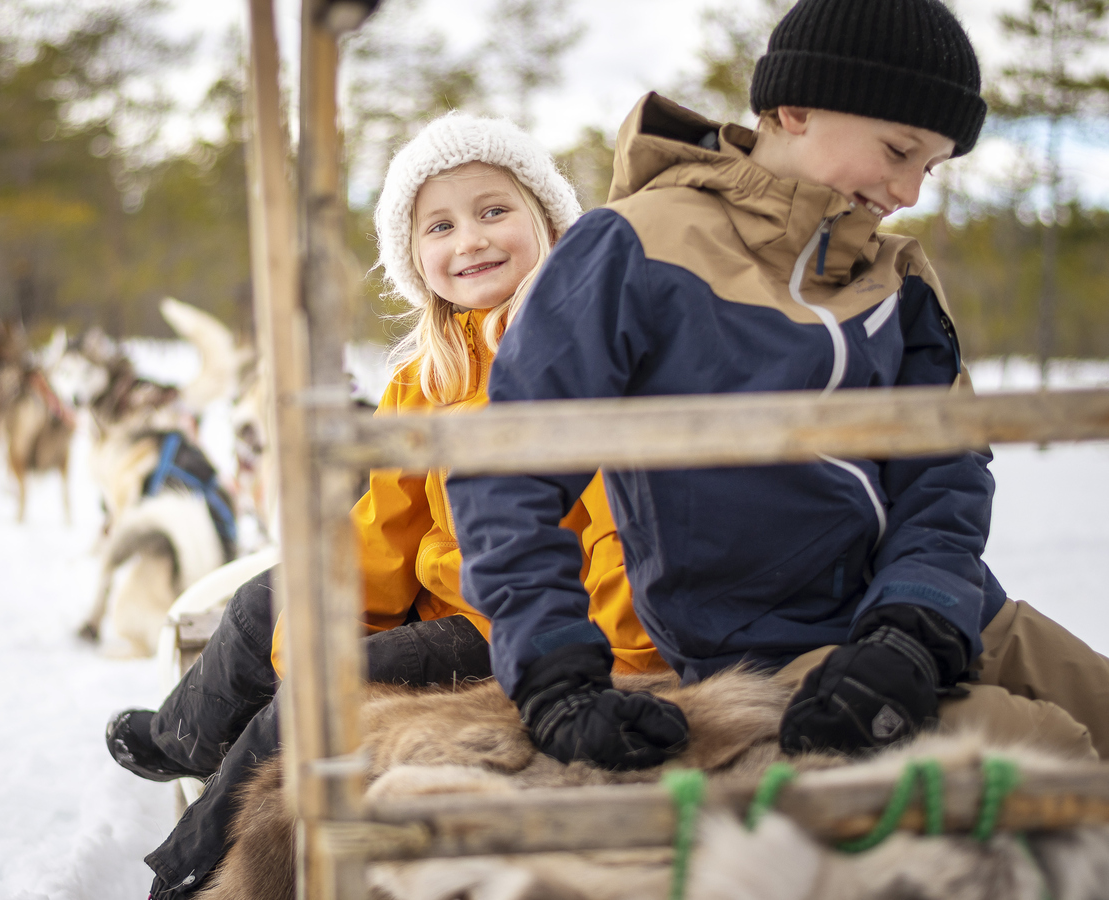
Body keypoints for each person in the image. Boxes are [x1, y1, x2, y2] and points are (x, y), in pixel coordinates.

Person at [446, 0, 1109, 772]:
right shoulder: (636, 246)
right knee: (1060, 756)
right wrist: (555, 673)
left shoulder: (895, 280)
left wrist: (913, 625)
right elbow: (507, 467)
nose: (909, 191)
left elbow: (946, 474)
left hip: (944, 613)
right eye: (899, 151)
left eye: (929, 167)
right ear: (795, 110)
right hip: (772, 647)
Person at [105, 113, 670, 899]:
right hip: (439, 599)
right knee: (266, 601)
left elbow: (621, 532)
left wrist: (619, 665)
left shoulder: (583, 361)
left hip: (520, 625)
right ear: (415, 258)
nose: (471, 239)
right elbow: (379, 532)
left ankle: (195, 863)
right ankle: (187, 736)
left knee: (324, 692)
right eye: (441, 225)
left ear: (549, 222)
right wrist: (316, 624)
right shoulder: (426, 376)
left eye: (494, 210)